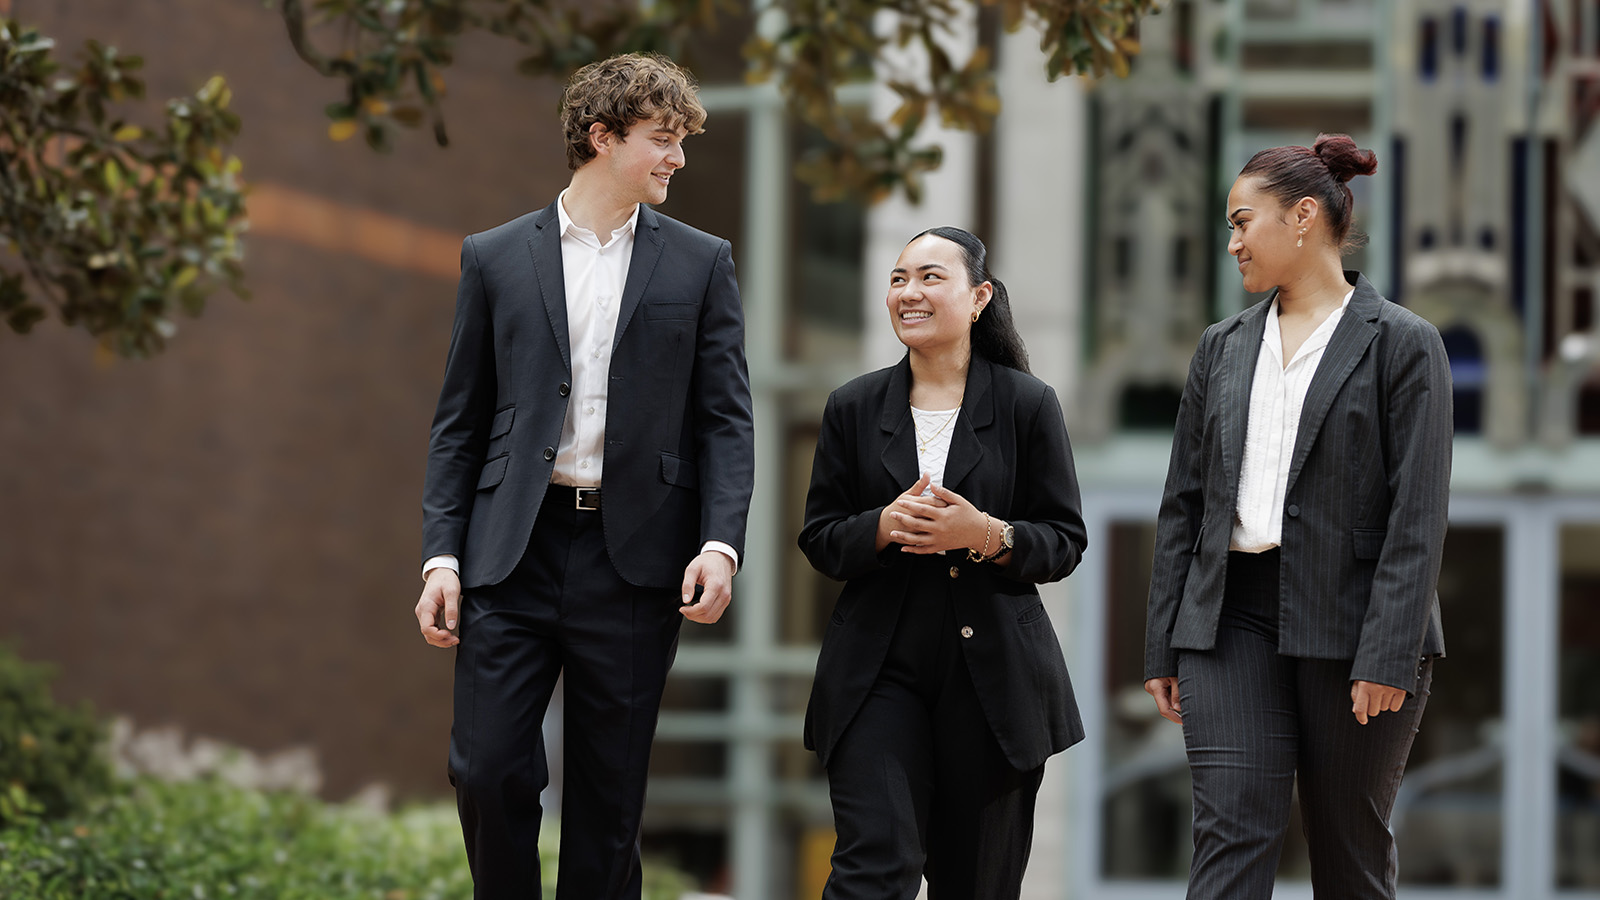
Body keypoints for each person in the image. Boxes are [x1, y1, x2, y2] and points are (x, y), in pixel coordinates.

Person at [412, 53, 755, 899]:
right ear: (601, 137)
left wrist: (720, 543)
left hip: (635, 559)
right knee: (487, 769)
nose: (678, 158)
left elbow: (726, 419)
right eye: (662, 139)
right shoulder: (493, 258)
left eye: (681, 141)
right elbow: (460, 423)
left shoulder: (701, 262)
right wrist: (440, 558)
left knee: (609, 800)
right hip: (509, 554)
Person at [1143, 133, 1452, 899]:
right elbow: (1184, 504)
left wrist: (1387, 652)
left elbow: (1418, 516)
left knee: (1348, 850)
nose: (1232, 243)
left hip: (1355, 623)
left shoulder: (1405, 345)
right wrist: (1163, 641)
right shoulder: (1219, 349)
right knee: (1231, 836)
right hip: (1229, 619)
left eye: (1243, 222)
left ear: (1304, 216)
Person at [798, 226, 1088, 899]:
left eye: (931, 277)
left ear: (979, 296)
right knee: (875, 865)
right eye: (899, 278)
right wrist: (880, 526)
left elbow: (1064, 541)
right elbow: (820, 537)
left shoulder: (1026, 404)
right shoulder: (853, 406)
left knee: (978, 883)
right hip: (876, 669)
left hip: (994, 681)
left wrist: (985, 533)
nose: (909, 292)